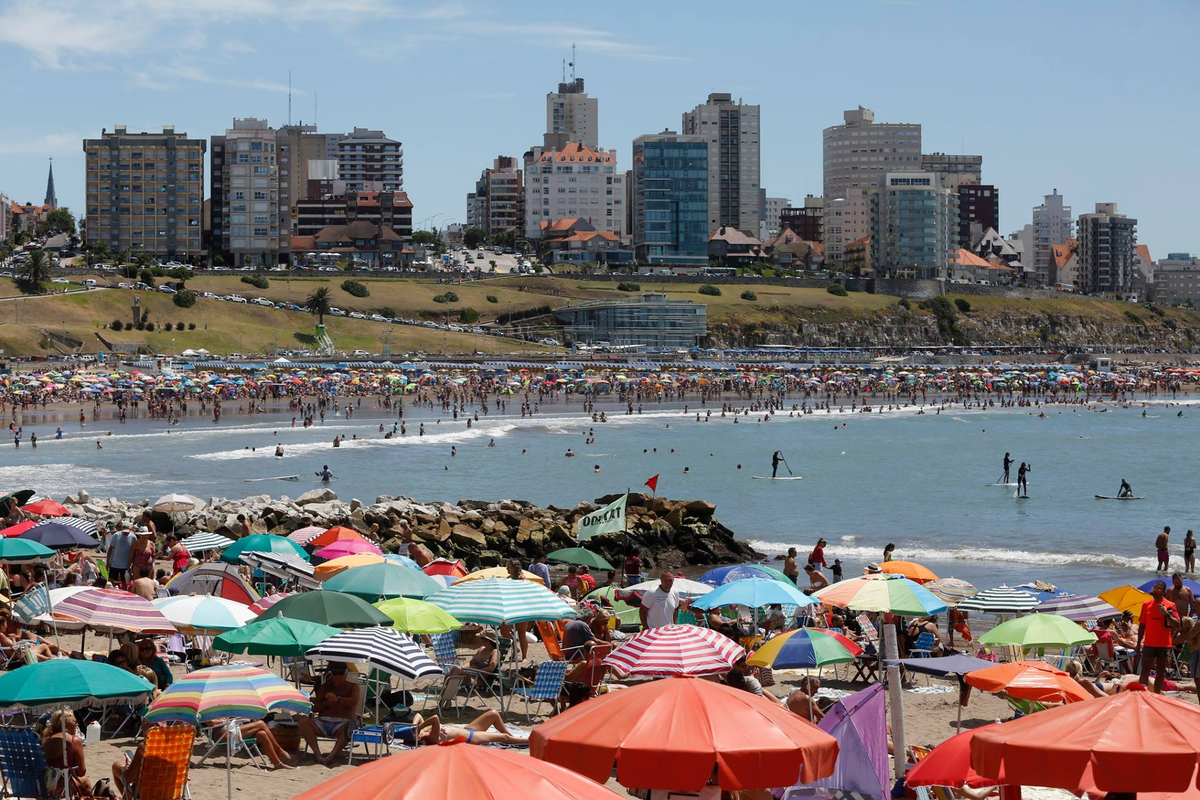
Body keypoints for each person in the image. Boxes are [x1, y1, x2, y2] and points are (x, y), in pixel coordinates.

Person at [296, 663, 359, 765]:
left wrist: (338, 700)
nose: (338, 676)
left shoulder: (352, 686)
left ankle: (331, 756)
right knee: (303, 721)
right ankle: (318, 755)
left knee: (349, 728)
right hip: (322, 722)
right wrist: (327, 703)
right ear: (331, 674)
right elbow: (315, 708)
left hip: (342, 723)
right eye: (335, 673)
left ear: (346, 673)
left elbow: (354, 701)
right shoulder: (326, 686)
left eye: (341, 673)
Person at [395, 709, 526, 747]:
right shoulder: (431, 739)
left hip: (468, 728)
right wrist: (419, 729)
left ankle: (512, 737)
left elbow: (417, 715)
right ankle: (527, 740)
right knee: (504, 738)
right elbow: (435, 718)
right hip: (471, 737)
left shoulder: (424, 732)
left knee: (493, 714)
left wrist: (414, 727)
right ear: (418, 740)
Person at [1137, 579, 1179, 693]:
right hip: (1149, 643)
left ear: (1163, 592)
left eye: (1158, 589)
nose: (1155, 590)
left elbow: (1177, 624)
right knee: (1145, 670)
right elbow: (1142, 626)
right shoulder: (1146, 604)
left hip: (1164, 643)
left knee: (1160, 670)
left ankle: (1157, 695)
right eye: (1154, 588)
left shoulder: (1170, 605)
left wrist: (1166, 614)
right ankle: (1142, 693)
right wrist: (1138, 643)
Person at [42, 709, 90, 797]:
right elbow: (81, 772)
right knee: (86, 781)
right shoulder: (74, 740)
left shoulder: (46, 739)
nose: (77, 724)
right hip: (56, 788)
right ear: (66, 723)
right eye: (75, 722)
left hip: (41, 787)